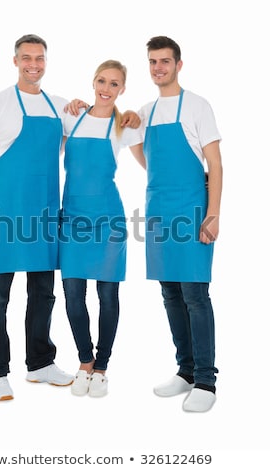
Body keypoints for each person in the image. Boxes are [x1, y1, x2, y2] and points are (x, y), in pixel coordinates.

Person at [0, 34, 82, 401]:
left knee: (43, 294)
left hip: (44, 217)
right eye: (27, 58)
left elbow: (98, 130)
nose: (34, 64)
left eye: (40, 58)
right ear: (15, 61)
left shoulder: (59, 107)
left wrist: (86, 106)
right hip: (6, 217)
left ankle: (40, 363)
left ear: (46, 61)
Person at [138, 36, 223, 412]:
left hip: (192, 212)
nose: (159, 68)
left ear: (178, 65)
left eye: (165, 61)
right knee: (170, 293)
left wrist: (213, 214)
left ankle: (205, 380)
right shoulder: (146, 111)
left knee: (195, 295)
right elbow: (137, 149)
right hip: (158, 211)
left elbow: (215, 165)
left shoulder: (198, 107)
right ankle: (185, 371)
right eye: (153, 62)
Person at [60, 60, 145, 397]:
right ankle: (84, 360)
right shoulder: (71, 116)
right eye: (101, 81)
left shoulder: (124, 126)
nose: (106, 89)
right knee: (72, 295)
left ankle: (102, 367)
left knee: (107, 296)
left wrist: (139, 117)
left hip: (108, 219)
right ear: (92, 82)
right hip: (73, 219)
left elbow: (150, 163)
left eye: (113, 84)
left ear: (122, 89)